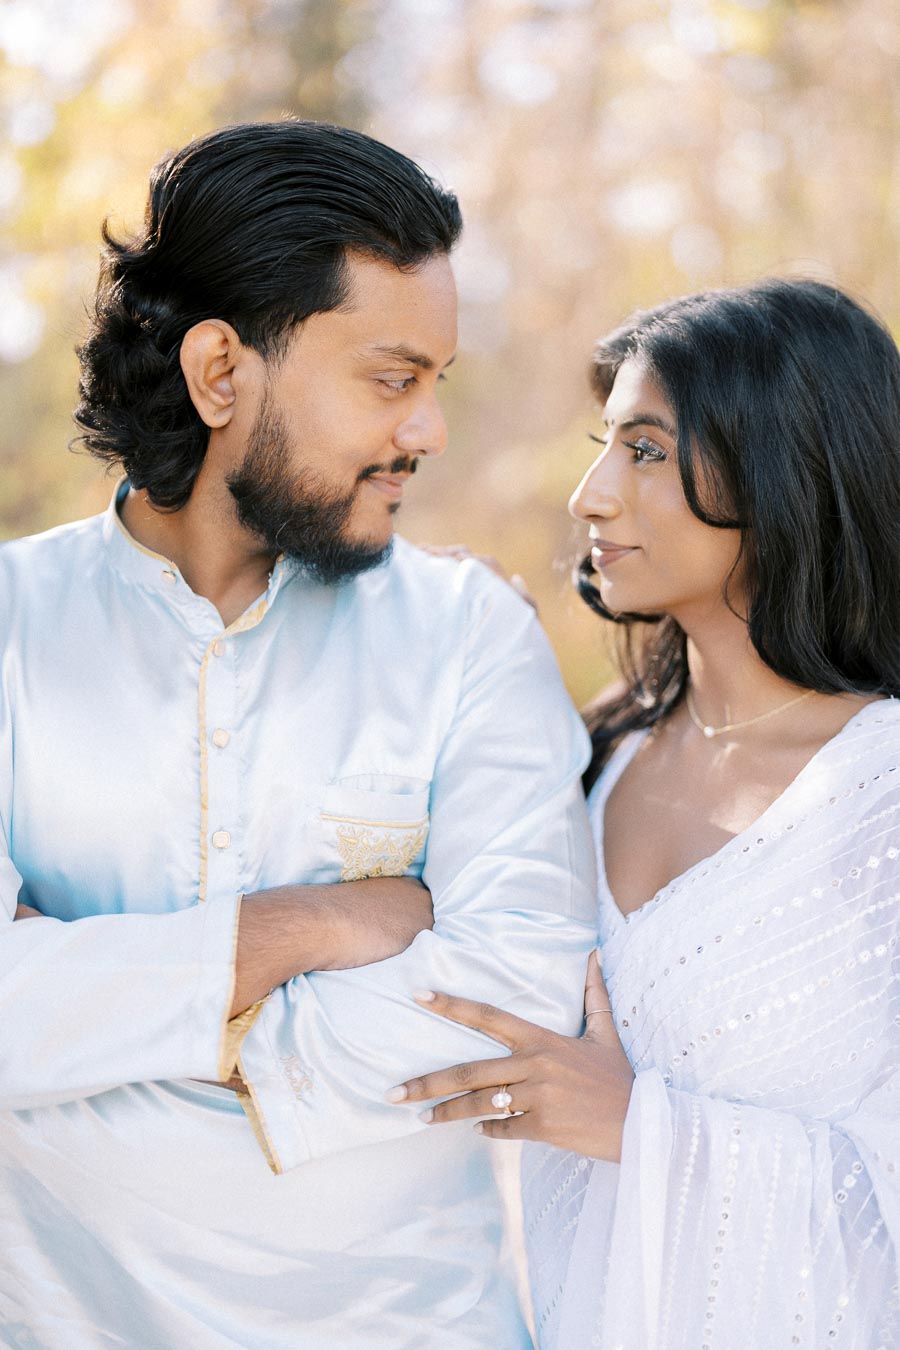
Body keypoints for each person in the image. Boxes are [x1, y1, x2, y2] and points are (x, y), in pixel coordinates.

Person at [0, 120, 598, 1348]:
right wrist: (313, 928)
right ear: (222, 374)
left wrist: (87, 1025)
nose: (427, 431)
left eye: (437, 383)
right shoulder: (10, 626)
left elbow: (514, 984)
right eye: (393, 379)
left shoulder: (470, 635)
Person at [387, 279, 900, 1348]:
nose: (590, 494)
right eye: (602, 445)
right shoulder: (584, 765)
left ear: (789, 467)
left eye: (647, 450)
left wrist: (639, 1127)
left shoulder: (881, 797)